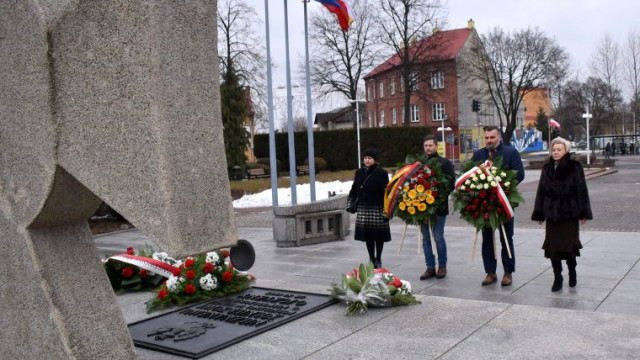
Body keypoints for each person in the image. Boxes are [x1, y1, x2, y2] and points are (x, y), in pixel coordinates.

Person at [531, 137, 592, 292]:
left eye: (559, 149)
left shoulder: (575, 167)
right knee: (552, 249)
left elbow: (582, 190)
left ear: (566, 151)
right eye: (554, 149)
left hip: (569, 214)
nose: (556, 152)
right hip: (551, 214)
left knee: (569, 248)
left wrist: (584, 212)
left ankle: (572, 272)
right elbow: (541, 192)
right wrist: (539, 213)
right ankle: (557, 277)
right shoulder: (547, 168)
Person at [473, 126, 525, 286]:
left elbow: (519, 174)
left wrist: (503, 185)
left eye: (492, 137)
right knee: (487, 239)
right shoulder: (479, 154)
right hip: (485, 204)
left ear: (499, 137)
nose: (489, 140)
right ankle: (490, 272)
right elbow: (472, 175)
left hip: (504, 203)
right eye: (487, 138)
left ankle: (508, 273)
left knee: (506, 239)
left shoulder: (510, 153)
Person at [346, 148, 391, 268]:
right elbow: (354, 189)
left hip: (377, 207)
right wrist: (350, 203)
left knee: (379, 235)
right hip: (364, 209)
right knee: (368, 236)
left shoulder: (382, 173)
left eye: (370, 158)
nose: (367, 160)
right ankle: (371, 258)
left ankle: (379, 258)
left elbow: (387, 192)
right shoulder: (359, 172)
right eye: (365, 158)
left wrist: (387, 209)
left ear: (374, 160)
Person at [419, 135, 455, 280]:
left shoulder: (444, 163)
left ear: (436, 146)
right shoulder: (419, 164)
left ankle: (442, 266)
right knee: (426, 238)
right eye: (426, 146)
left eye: (430, 145)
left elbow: (450, 184)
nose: (428, 148)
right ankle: (429, 267)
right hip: (421, 207)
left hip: (438, 206)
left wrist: (436, 197)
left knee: (438, 237)